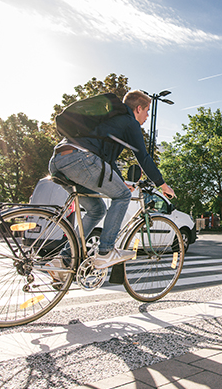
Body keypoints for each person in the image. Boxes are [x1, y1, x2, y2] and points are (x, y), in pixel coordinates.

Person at [48, 90, 175, 273]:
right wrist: (162, 184)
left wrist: (120, 181)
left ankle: (65, 259)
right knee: (123, 196)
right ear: (138, 108)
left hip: (59, 160)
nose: (147, 116)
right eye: (147, 111)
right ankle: (105, 251)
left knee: (97, 209)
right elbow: (143, 157)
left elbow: (106, 158)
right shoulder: (130, 122)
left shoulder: (112, 120)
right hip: (80, 159)